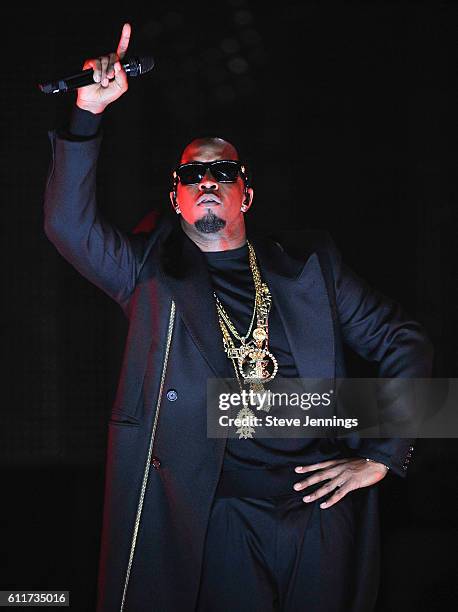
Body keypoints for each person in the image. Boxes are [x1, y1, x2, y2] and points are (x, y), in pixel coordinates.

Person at [43, 23, 433, 612]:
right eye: (191, 175)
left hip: (319, 512)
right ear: (175, 197)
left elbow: (403, 340)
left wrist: (385, 454)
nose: (206, 182)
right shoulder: (146, 273)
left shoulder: (311, 264)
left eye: (222, 173)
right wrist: (87, 113)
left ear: (244, 195)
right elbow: (66, 227)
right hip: (216, 516)